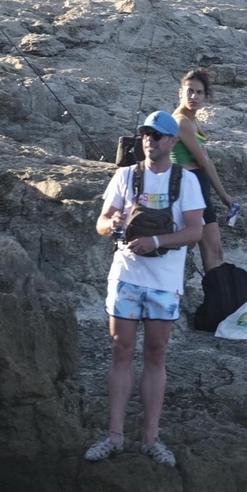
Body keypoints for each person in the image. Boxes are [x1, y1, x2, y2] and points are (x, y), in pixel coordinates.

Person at [86, 111, 206, 468]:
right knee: (120, 351)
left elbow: (195, 231)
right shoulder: (124, 176)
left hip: (165, 283)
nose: (150, 140)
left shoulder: (186, 181)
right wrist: (113, 224)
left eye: (158, 135)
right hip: (125, 277)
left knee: (156, 354)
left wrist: (155, 240)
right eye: (146, 135)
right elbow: (101, 223)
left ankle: (151, 438)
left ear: (172, 141)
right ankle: (114, 436)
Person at [173, 68, 237, 273]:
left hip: (200, 184)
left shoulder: (193, 120)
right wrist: (223, 195)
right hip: (189, 186)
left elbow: (206, 160)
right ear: (180, 92)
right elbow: (203, 161)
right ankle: (216, 300)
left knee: (216, 250)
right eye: (190, 91)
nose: (194, 96)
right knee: (211, 251)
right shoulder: (181, 121)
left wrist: (223, 194)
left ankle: (220, 297)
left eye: (199, 92)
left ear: (205, 96)